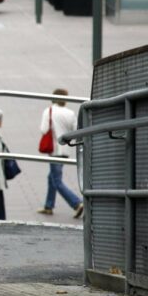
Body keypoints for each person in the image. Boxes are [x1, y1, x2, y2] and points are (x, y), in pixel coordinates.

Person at [37, 89, 84, 218]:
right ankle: (48, 205)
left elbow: (44, 129)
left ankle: (76, 203)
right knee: (51, 177)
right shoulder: (70, 113)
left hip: (54, 150)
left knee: (56, 180)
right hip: (65, 150)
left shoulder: (49, 111)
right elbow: (75, 130)